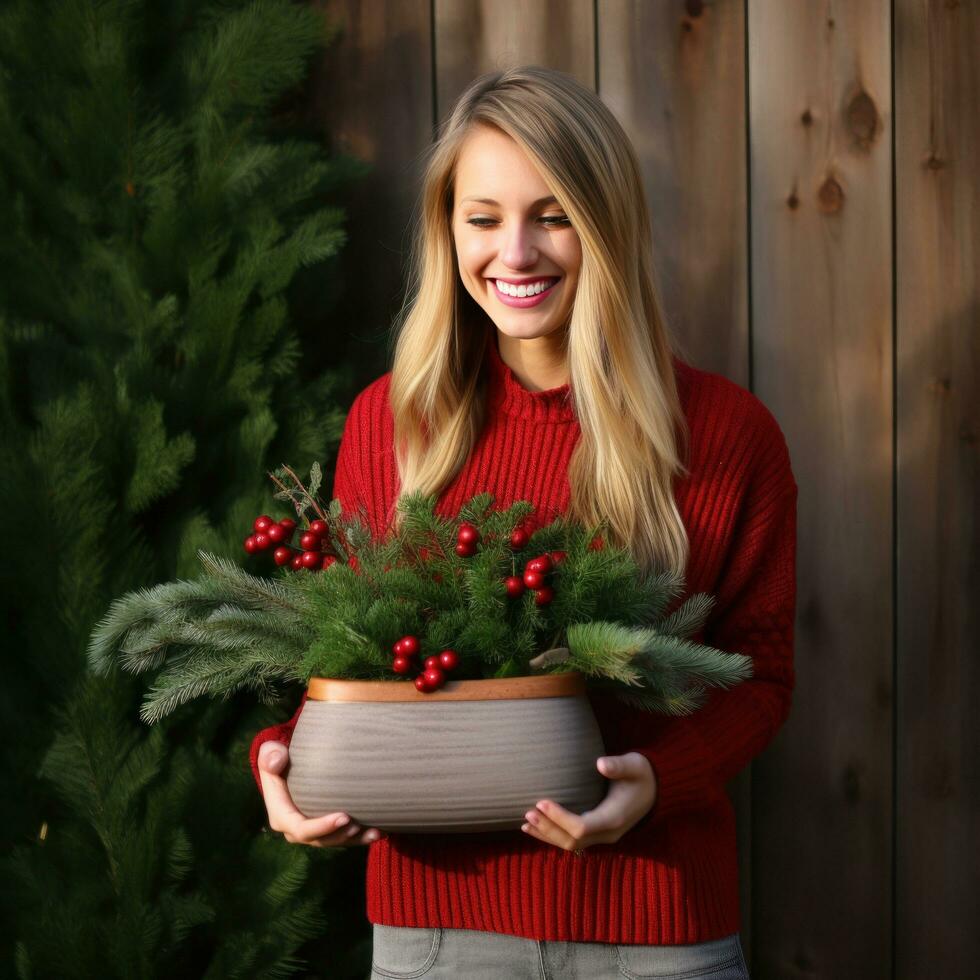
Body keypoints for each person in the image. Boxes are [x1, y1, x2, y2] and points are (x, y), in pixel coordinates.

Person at [250, 65, 796, 979]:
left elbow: (763, 675)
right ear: (446, 230)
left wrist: (660, 781)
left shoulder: (730, 437)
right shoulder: (391, 428)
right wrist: (278, 760)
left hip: (657, 929)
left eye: (553, 215)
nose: (516, 252)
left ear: (606, 227)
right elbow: (333, 659)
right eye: (483, 217)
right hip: (436, 937)